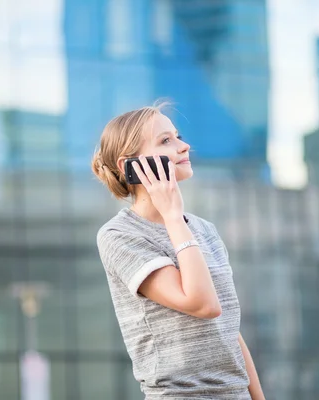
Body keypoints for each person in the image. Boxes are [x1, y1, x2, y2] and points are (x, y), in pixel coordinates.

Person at [92, 102, 265, 399]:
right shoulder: (119, 235)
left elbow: (226, 329)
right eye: (165, 141)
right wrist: (172, 215)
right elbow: (202, 304)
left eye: (178, 136)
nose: (184, 147)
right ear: (129, 165)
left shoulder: (204, 230)